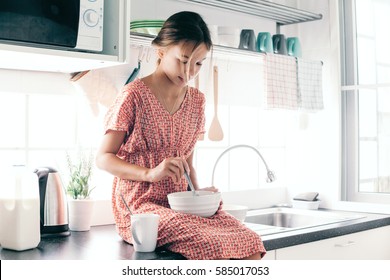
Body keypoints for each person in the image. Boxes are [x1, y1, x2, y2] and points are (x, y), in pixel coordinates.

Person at [96, 11, 266, 260]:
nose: (189, 72)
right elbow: (103, 158)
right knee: (213, 246)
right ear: (161, 51)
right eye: (183, 60)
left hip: (182, 205)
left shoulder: (197, 102)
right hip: (140, 208)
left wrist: (199, 195)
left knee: (251, 242)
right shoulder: (133, 95)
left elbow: (188, 165)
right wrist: (150, 173)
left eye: (198, 64)